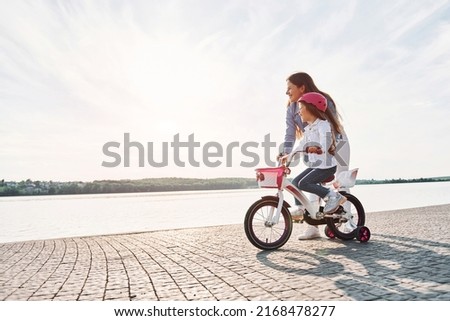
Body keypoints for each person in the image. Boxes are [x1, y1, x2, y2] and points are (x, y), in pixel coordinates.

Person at [282, 72, 351, 240]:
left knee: (341, 179)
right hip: (313, 146)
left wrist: (321, 147)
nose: (287, 92)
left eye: (290, 88)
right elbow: (291, 135)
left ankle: (349, 222)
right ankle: (313, 226)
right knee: (310, 183)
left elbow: (329, 126)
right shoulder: (292, 108)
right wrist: (287, 153)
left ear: (302, 87)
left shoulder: (321, 100)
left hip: (336, 143)